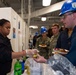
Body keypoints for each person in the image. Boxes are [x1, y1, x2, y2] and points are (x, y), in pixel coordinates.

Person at [34, 0, 76, 66]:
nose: (62, 20)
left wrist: (46, 61)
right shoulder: (70, 33)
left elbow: (70, 64)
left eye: (64, 16)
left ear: (74, 15)